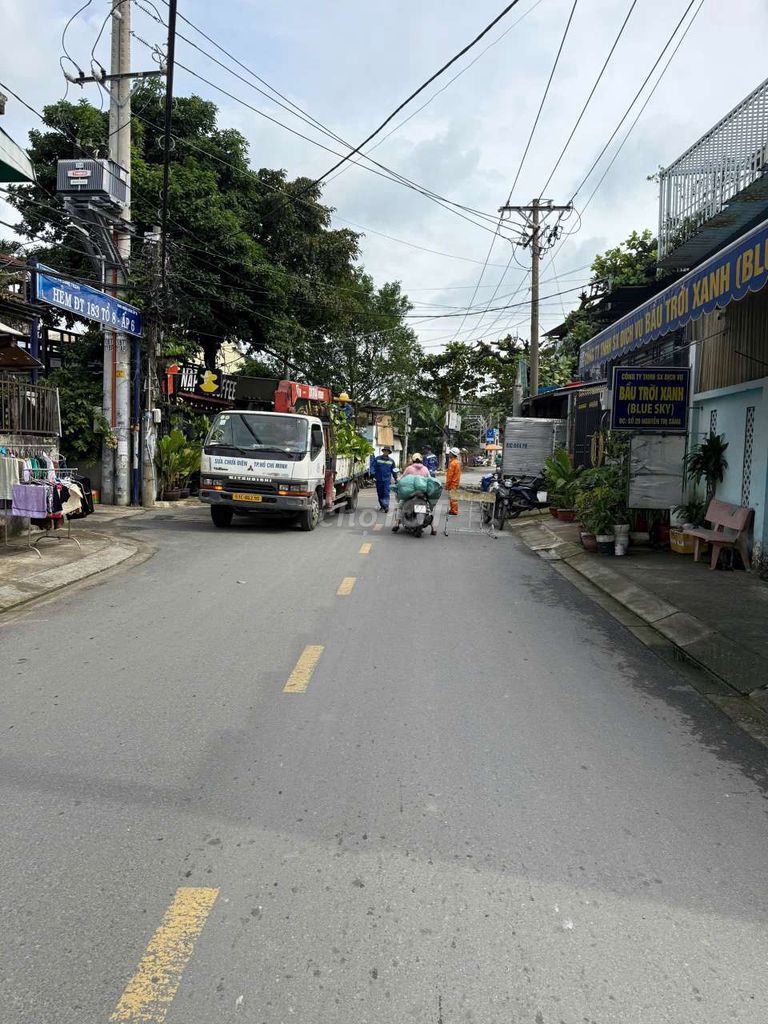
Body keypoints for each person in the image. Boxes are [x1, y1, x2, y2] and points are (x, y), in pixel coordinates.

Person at [372, 447, 398, 512]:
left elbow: (394, 470)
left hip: (387, 480)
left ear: (389, 452)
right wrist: (373, 473)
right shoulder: (377, 459)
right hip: (379, 479)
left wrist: (396, 478)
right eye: (385, 450)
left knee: (386, 493)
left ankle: (386, 506)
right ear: (383, 451)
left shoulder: (391, 461)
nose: (386, 452)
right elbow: (373, 467)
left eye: (387, 451)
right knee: (380, 493)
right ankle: (382, 506)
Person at [445, 446, 462, 516]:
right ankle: (453, 509)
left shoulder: (452, 463)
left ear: (452, 454)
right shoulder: (457, 462)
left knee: (453, 498)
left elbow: (449, 476)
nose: (449, 454)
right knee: (453, 497)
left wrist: (447, 485)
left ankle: (454, 511)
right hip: (456, 482)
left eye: (450, 453)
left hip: (452, 483)